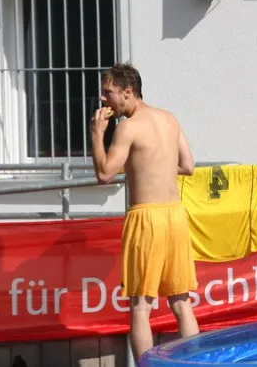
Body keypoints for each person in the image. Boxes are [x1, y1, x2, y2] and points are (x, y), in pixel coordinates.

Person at [90, 63, 199, 363]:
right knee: (181, 303)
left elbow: (105, 174)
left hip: (146, 218)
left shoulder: (128, 127)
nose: (103, 99)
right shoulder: (169, 118)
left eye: (108, 92)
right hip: (175, 216)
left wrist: (97, 134)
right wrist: (151, 166)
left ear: (128, 92)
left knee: (140, 306)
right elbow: (188, 166)